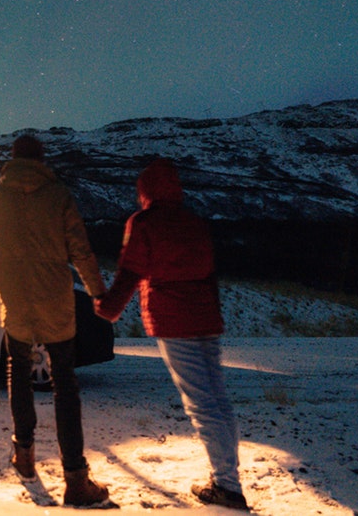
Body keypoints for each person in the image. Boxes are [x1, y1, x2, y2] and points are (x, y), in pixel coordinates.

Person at [94, 158, 250, 511]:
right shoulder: (194, 222)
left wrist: (109, 309)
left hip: (174, 319)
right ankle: (228, 478)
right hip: (206, 318)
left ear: (145, 191)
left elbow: (130, 272)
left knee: (201, 403)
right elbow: (209, 273)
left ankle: (227, 486)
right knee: (217, 398)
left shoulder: (144, 222)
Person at [0, 134, 111, 507]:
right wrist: (98, 292)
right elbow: (80, 251)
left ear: (13, 160)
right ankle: (75, 480)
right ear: (41, 159)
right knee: (64, 384)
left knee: (17, 373)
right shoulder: (58, 196)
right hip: (55, 300)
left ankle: (24, 456)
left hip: (16, 301)